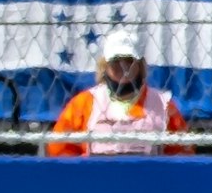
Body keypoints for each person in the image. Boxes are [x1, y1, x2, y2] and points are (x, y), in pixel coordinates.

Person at [50, 29, 186, 154]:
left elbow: (182, 153)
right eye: (116, 61)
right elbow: (60, 149)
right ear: (105, 65)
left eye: (129, 61)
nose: (123, 67)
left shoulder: (163, 105)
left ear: (140, 65)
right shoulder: (84, 103)